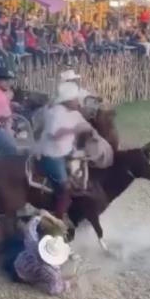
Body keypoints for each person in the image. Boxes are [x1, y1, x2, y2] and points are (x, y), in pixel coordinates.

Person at [37, 82, 95, 219]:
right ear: (68, 101)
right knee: (64, 190)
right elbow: (54, 134)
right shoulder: (55, 113)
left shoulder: (71, 112)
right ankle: (58, 219)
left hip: (66, 151)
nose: (78, 102)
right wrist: (73, 130)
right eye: (76, 100)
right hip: (53, 155)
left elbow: (85, 125)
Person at [8, 210, 73, 295]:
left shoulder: (34, 244)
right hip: (25, 279)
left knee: (15, 244)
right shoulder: (54, 273)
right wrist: (68, 283)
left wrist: (46, 218)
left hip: (15, 266)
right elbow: (55, 290)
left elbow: (29, 228)